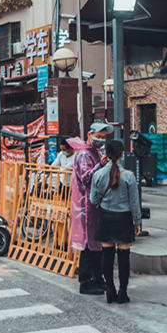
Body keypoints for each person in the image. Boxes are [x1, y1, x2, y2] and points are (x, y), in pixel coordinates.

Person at [90, 140, 142, 304]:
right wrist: (137, 221)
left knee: (107, 254)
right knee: (124, 256)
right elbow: (134, 202)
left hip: (106, 217)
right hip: (123, 218)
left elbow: (93, 199)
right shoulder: (128, 175)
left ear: (106, 154)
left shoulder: (97, 174)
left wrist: (103, 204)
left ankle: (110, 290)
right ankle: (123, 293)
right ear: (122, 154)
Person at [69, 123, 112, 295]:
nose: (101, 140)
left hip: (95, 206)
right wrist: (100, 166)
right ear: (90, 134)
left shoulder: (96, 153)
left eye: (104, 137)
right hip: (86, 206)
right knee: (88, 245)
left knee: (96, 244)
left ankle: (97, 278)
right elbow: (86, 179)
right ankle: (86, 281)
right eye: (99, 136)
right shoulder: (83, 155)